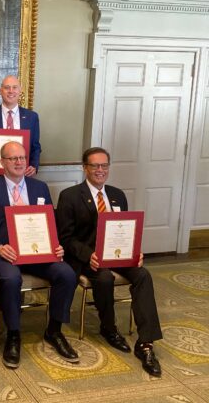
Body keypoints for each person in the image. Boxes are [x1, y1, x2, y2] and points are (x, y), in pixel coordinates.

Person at [56, 147, 162, 377]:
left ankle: (146, 343)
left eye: (104, 165)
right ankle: (109, 328)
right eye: (94, 165)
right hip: (87, 257)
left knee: (143, 274)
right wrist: (87, 255)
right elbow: (65, 237)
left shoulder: (117, 195)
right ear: (85, 168)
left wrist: (135, 251)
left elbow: (124, 230)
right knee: (103, 277)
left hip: (116, 254)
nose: (100, 170)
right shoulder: (70, 195)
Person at [0, 141, 78, 368]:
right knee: (11, 279)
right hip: (5, 253)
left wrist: (56, 245)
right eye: (13, 158)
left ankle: (54, 330)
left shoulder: (40, 188)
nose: (19, 162)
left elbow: (50, 223)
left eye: (22, 157)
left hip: (37, 252)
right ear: (2, 162)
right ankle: (13, 334)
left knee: (67, 274)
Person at [0, 75, 41, 181]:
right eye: (7, 87)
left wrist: (34, 166)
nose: (11, 91)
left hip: (22, 177)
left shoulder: (32, 117)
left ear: (20, 91)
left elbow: (35, 147)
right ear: (0, 91)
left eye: (15, 87)